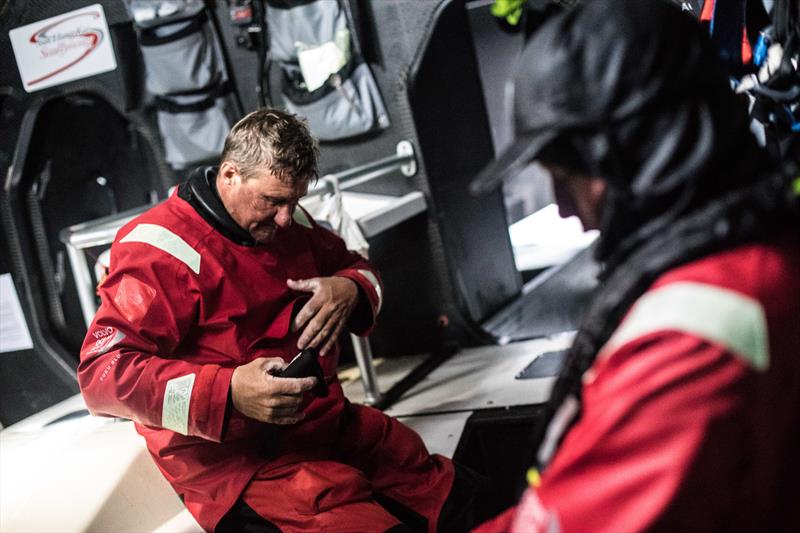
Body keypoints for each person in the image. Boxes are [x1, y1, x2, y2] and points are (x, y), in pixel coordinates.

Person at [470, 0, 800, 531]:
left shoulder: (700, 328)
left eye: (565, 175)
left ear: (630, 153)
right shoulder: (746, 250)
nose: (561, 206)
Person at [78, 109, 476, 532]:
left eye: (295, 200)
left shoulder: (292, 222)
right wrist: (228, 392)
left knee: (465, 499)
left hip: (327, 426)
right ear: (230, 175)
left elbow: (359, 267)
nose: (286, 217)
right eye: (272, 201)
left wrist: (350, 288)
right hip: (240, 467)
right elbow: (102, 376)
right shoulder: (158, 250)